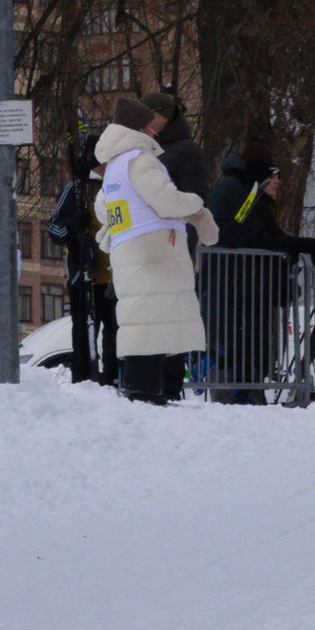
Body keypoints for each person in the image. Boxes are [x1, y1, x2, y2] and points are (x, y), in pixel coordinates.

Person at [95, 96, 216, 401]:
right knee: (157, 324)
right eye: (150, 125)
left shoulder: (113, 167)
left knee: (144, 322)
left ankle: (143, 390)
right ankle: (147, 392)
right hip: (154, 255)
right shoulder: (141, 160)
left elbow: (103, 211)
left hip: (129, 253)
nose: (154, 131)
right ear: (138, 128)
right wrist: (196, 205)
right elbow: (167, 201)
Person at [206, 131, 315, 398]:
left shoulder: (256, 200)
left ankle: (250, 394)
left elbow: (271, 236)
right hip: (237, 283)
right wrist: (297, 245)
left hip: (251, 284)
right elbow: (252, 236)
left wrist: (301, 245)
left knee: (257, 345)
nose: (278, 182)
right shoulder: (244, 195)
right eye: (272, 177)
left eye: (279, 176)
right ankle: (242, 395)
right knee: (249, 345)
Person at [46, 142, 113, 384]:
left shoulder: (119, 185)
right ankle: (84, 381)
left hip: (118, 278)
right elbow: (54, 229)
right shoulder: (76, 190)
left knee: (116, 335)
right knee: (84, 336)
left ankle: (112, 380)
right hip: (84, 277)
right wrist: (72, 226)